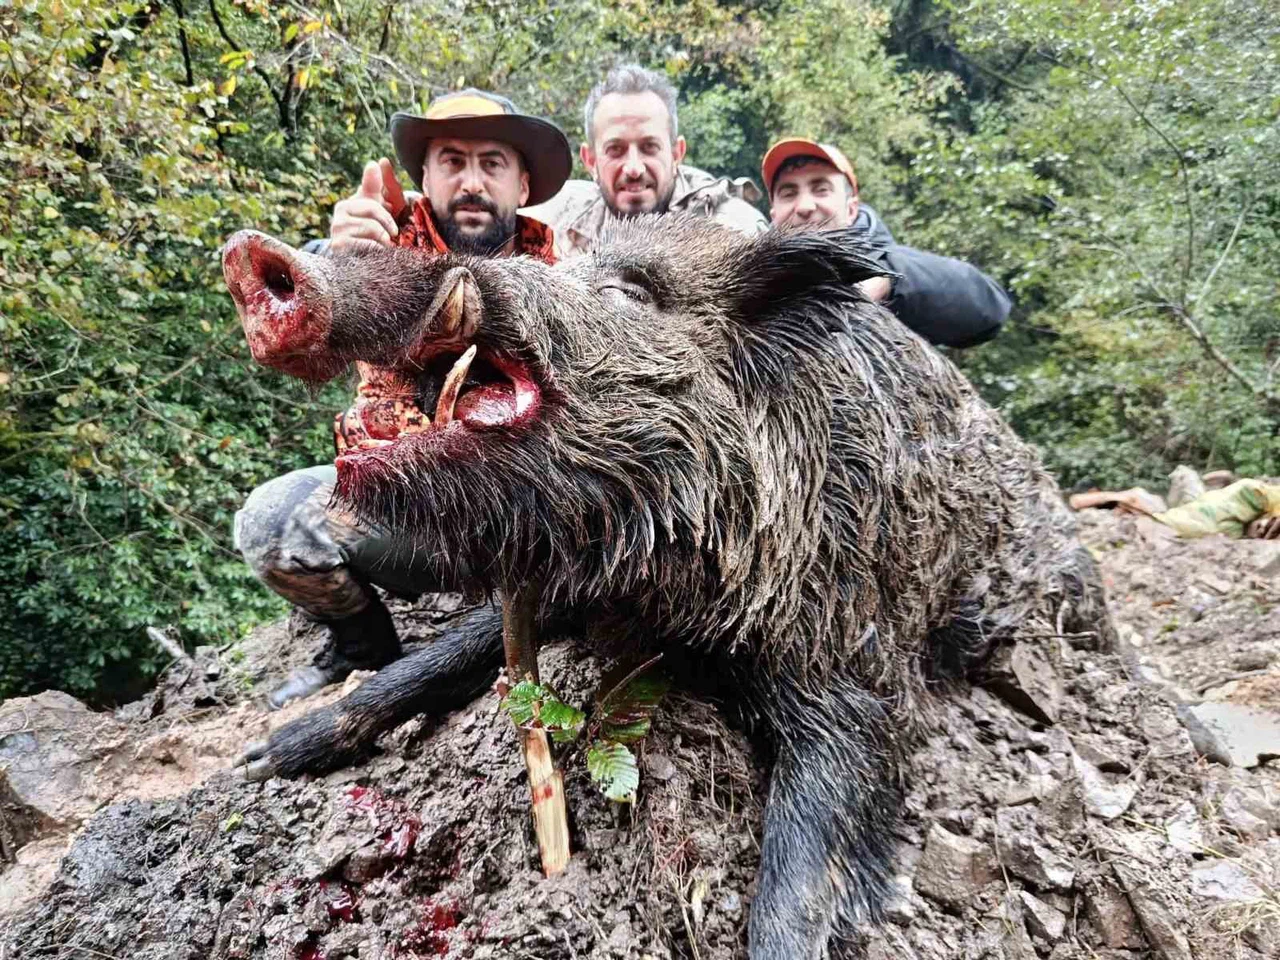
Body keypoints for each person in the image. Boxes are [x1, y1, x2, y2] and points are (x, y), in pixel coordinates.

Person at [235, 90, 573, 708]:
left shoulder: (564, 274)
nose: (471, 181)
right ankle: (362, 650)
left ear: (523, 186)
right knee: (268, 522)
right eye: (452, 161)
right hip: (405, 508)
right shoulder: (375, 246)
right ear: (425, 178)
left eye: (492, 163)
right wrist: (330, 263)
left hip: (521, 523)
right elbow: (301, 338)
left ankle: (508, 633)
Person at [761, 138, 1010, 348]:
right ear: (774, 214)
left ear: (851, 209)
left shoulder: (890, 265)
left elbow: (990, 310)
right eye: (789, 193)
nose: (805, 206)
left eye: (821, 189)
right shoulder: (755, 286)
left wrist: (890, 280)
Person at [527, 63, 768, 256]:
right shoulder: (553, 224)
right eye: (615, 149)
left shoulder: (737, 234)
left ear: (676, 153)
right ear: (590, 161)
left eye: (649, 147)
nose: (633, 168)